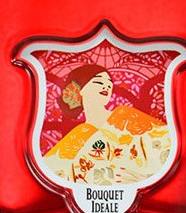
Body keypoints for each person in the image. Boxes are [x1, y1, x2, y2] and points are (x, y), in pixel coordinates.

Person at [43, 65, 171, 185]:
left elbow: (165, 141)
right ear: (80, 90)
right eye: (99, 82)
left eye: (109, 84)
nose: (106, 87)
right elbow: (53, 171)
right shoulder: (79, 134)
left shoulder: (123, 115)